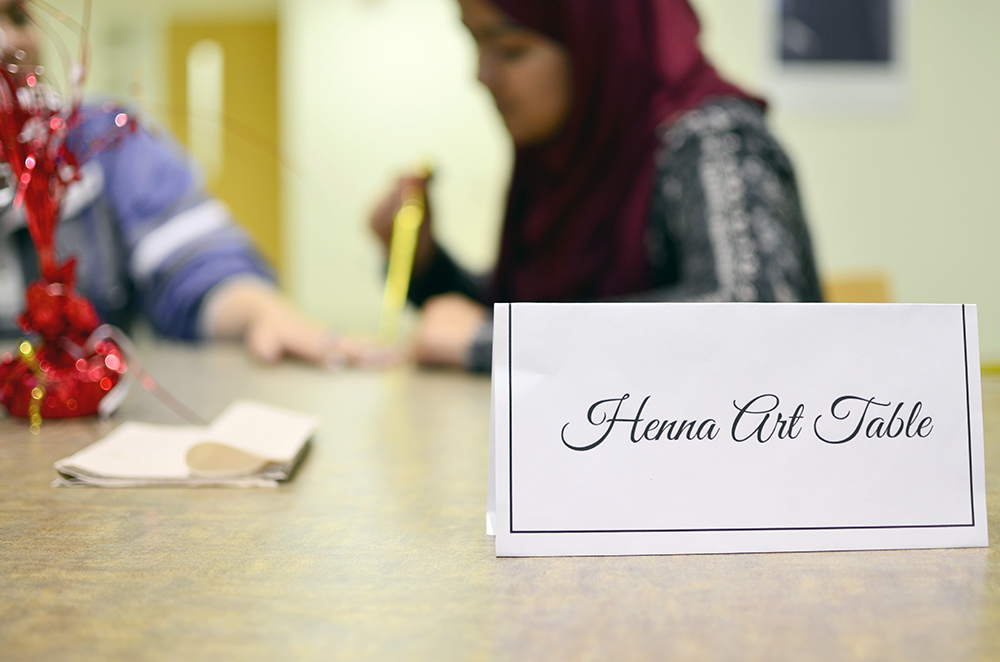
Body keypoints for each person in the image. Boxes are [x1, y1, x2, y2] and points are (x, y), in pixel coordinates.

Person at [371, 0, 823, 372]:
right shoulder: (567, 154)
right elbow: (532, 306)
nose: (482, 75)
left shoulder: (712, 139)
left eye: (510, 49)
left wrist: (501, 344)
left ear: (599, 47)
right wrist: (425, 261)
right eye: (475, 42)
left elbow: (753, 315)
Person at [1, 0, 370, 367]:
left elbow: (195, 261)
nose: (7, 42)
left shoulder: (103, 138)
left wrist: (262, 312)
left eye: (17, 16)